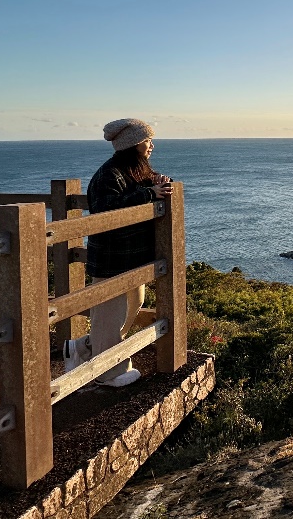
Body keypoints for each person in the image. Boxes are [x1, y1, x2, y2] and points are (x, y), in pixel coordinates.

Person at [62, 118, 173, 387]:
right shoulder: (108, 174)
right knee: (110, 316)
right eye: (147, 141)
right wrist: (149, 194)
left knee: (132, 307)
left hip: (131, 257)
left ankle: (81, 348)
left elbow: (142, 188)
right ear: (133, 144)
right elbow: (105, 209)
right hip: (112, 259)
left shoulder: (133, 169)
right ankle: (108, 373)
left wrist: (157, 181)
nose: (152, 146)